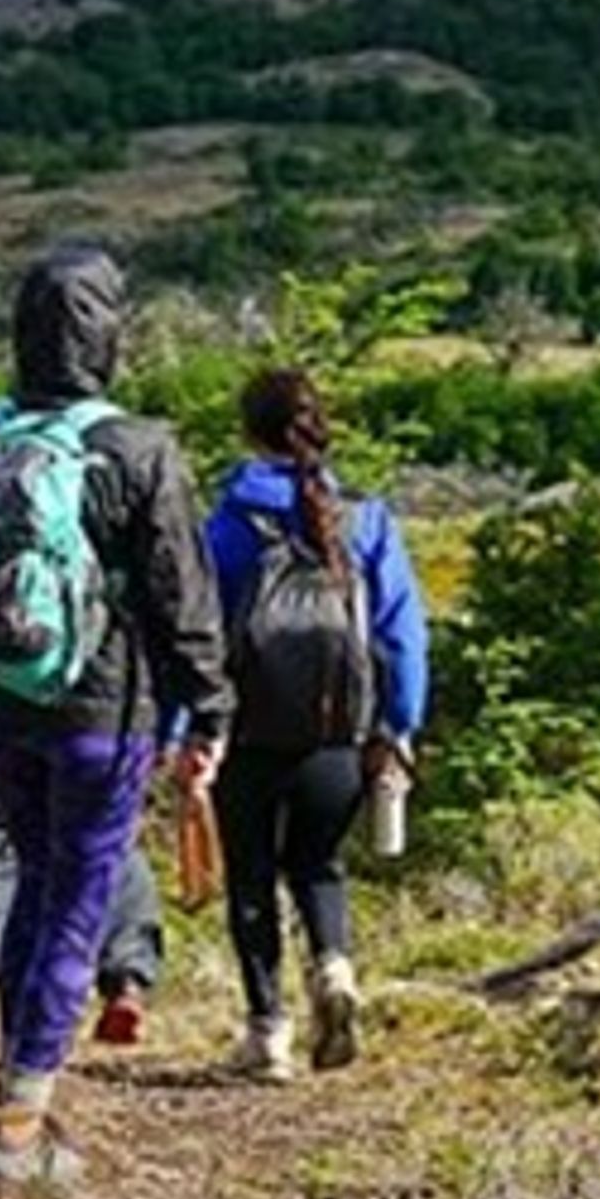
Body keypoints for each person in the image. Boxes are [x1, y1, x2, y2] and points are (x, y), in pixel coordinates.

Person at [0, 241, 229, 1188]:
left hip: (4, 703)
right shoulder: (139, 448)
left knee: (38, 889)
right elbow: (183, 601)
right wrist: (207, 714)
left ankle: (20, 1077)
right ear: (110, 336)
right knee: (80, 901)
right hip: (106, 711)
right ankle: (19, 1120)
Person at [203, 366, 430, 1080]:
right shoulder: (366, 518)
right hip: (339, 730)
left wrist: (187, 726)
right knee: (319, 867)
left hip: (247, 730)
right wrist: (398, 726)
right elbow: (402, 637)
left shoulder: (229, 520)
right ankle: (334, 969)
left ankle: (268, 1033)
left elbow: (198, 630)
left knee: (251, 877)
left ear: (248, 430)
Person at [0, 629, 170, 1047]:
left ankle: (23, 1021)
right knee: (106, 848)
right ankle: (126, 977)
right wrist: (179, 728)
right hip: (104, 725)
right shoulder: (126, 565)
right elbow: (175, 627)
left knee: (6, 868)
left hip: (10, 728)